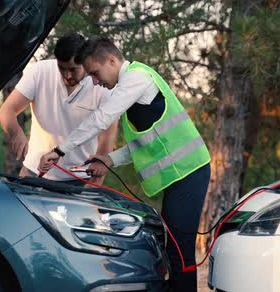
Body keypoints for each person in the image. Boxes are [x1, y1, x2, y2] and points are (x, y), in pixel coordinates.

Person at [37, 37, 211, 291]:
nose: (96, 82)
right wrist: (109, 160)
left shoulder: (136, 78)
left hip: (189, 171)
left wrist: (60, 150)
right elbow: (145, 142)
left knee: (179, 249)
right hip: (180, 174)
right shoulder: (133, 89)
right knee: (172, 247)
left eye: (95, 73)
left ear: (111, 60)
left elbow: (102, 118)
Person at [0, 33, 118, 184]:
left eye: (73, 69)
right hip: (33, 171)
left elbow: (106, 139)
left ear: (86, 63)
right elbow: (7, 110)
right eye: (62, 68)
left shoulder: (102, 86)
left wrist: (94, 185)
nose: (67, 75)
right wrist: (16, 133)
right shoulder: (39, 71)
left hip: (80, 178)